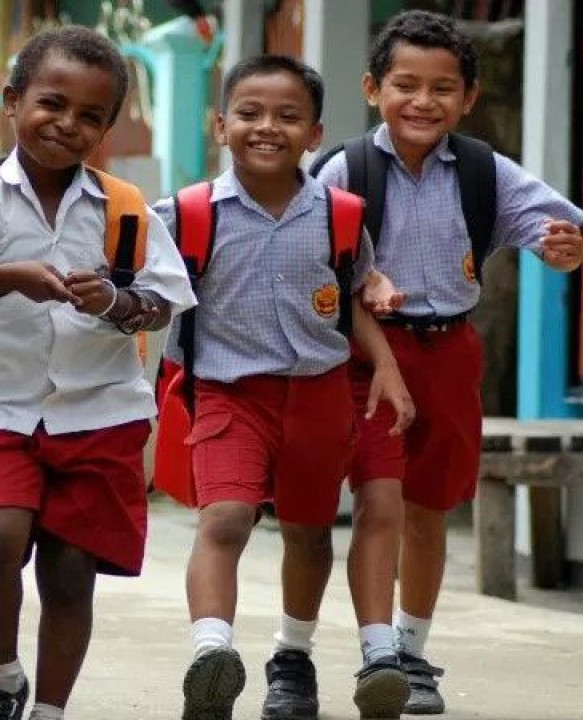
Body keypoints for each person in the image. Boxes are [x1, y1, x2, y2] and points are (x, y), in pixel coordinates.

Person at [0, 26, 196, 720]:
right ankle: (3, 678)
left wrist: (117, 300)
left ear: (108, 128)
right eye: (52, 104)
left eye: (91, 116)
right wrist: (4, 277)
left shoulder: (127, 213)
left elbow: (164, 304)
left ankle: (52, 709)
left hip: (102, 413)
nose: (67, 124)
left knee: (69, 571)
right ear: (12, 102)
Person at [313, 10, 583, 716]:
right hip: (365, 353)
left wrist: (561, 249)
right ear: (374, 88)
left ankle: (411, 648)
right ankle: (353, 649)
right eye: (406, 84)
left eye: (442, 88)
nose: (423, 101)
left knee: (428, 509)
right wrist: (357, 286)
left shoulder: (481, 169)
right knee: (375, 498)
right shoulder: (347, 167)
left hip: (450, 352)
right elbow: (306, 252)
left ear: (467, 98)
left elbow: (551, 226)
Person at [158, 55, 413, 720]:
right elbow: (143, 299)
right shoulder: (184, 215)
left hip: (321, 392)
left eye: (287, 116)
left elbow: (351, 299)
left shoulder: (343, 215)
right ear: (221, 125)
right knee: (226, 517)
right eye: (249, 113)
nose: (266, 127)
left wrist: (384, 363)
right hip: (228, 394)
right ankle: (211, 653)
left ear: (315, 134)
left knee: (308, 532)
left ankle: (291, 658)